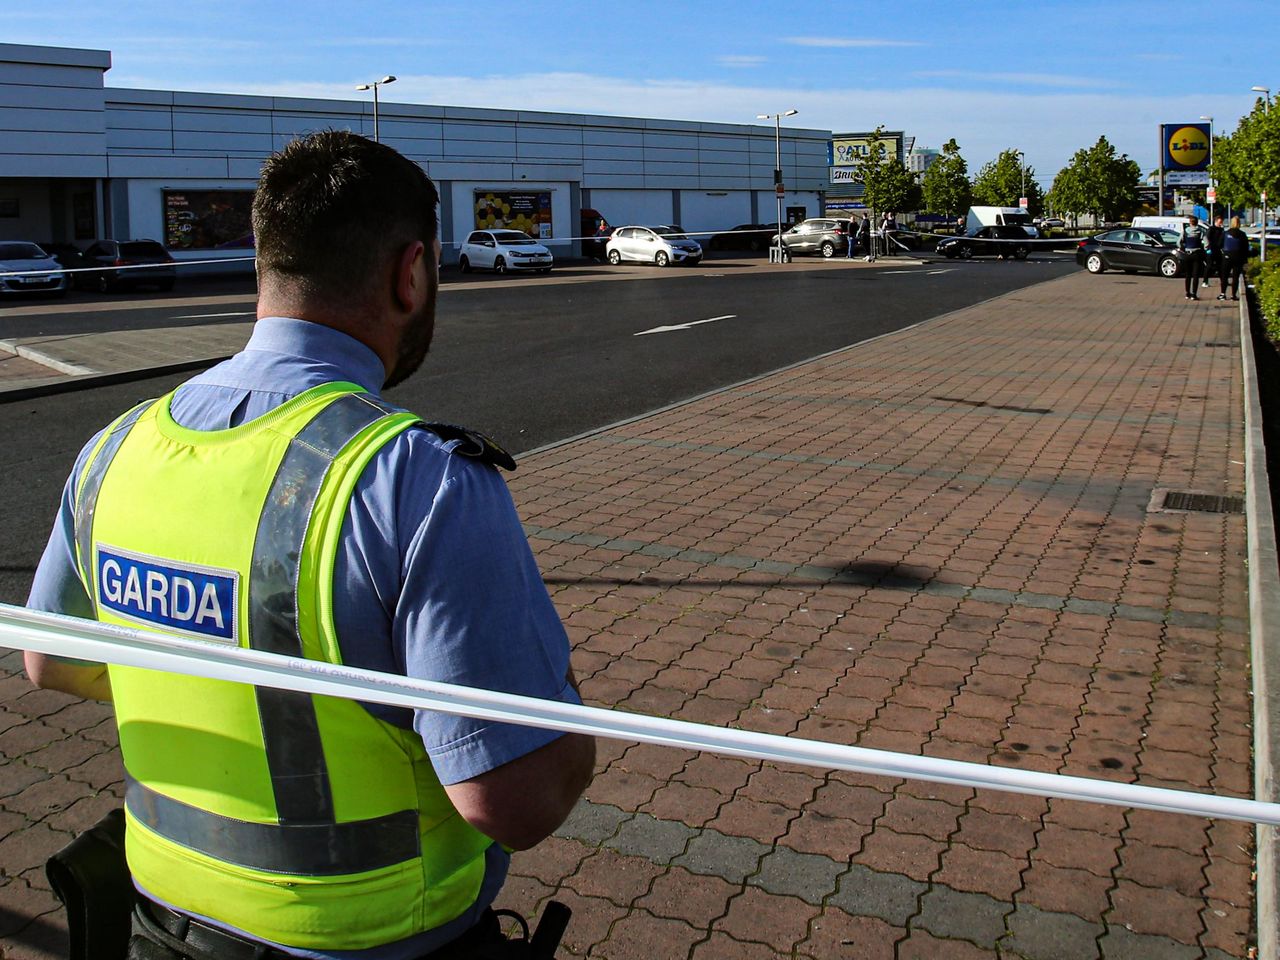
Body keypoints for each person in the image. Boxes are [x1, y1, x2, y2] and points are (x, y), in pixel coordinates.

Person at [24, 130, 596, 960]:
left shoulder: (115, 449)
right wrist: (559, 696)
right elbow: (515, 803)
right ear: (412, 273)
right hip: (373, 938)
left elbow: (53, 664)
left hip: (157, 918)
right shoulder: (417, 479)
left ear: (265, 262)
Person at [1220, 215, 1250, 302]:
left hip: (1227, 257)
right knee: (1235, 277)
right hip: (1238, 257)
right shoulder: (1242, 234)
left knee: (1225, 276)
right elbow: (1246, 247)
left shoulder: (1225, 233)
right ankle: (1233, 295)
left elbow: (1220, 244)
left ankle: (1223, 294)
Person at [1178, 214, 1206, 300]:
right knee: (1196, 275)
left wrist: (1183, 248)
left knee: (1188, 275)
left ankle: (1187, 293)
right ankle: (1194, 294)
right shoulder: (1200, 231)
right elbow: (1207, 243)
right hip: (1197, 254)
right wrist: (1204, 249)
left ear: (1190, 223)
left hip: (1187, 254)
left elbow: (1178, 242)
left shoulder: (1185, 231)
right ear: (1197, 223)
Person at [1205, 214, 1224, 288]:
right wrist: (1208, 248)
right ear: (1216, 222)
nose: (1221, 224)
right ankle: (1205, 281)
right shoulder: (1211, 229)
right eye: (1220, 222)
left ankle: (1223, 280)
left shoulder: (1222, 230)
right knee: (1209, 265)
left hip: (1218, 250)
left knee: (1220, 266)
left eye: (1221, 222)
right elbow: (1207, 238)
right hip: (1211, 250)